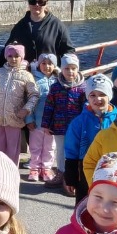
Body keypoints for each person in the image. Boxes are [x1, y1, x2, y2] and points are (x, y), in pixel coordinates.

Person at [62, 74, 117, 199]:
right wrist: (71, 177)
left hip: (113, 167)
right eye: (93, 95)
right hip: (86, 167)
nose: (98, 99)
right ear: (88, 97)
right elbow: (71, 150)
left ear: (109, 96)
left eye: (102, 94)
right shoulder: (79, 122)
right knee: (85, 201)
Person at [0, 44, 39, 165]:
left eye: (16, 56)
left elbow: (34, 94)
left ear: (22, 57)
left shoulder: (26, 75)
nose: (13, 59)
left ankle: (12, 173)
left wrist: (26, 109)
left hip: (14, 118)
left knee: (13, 150)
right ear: (6, 57)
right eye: (10, 56)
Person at [0, 0, 75, 68]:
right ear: (29, 3)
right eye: (33, 1)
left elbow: (68, 51)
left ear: (46, 4)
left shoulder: (57, 25)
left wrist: (68, 72)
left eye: (41, 2)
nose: (36, 5)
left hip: (48, 76)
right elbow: (8, 50)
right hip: (25, 75)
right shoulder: (20, 26)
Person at [41, 52, 89, 186]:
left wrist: (85, 125)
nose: (70, 71)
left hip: (76, 128)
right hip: (59, 125)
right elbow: (49, 106)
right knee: (60, 150)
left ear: (78, 69)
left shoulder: (83, 88)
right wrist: (46, 124)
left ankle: (74, 176)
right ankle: (61, 173)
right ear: (61, 69)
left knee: (76, 150)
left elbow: (86, 109)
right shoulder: (55, 87)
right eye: (67, 68)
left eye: (73, 68)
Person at [27, 52, 59, 183]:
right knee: (35, 146)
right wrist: (29, 119)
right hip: (37, 121)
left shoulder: (58, 80)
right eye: (43, 64)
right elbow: (28, 100)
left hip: (52, 123)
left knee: (50, 147)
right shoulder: (33, 79)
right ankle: (34, 168)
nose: (47, 66)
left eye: (50, 64)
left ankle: (46, 168)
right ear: (39, 65)